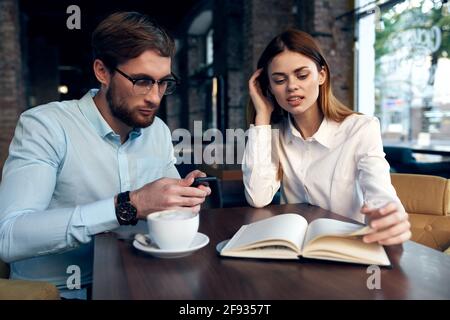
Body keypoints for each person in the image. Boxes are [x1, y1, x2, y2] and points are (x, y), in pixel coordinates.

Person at [0, 12, 210, 299]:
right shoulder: (46, 125)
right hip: (59, 292)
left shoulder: (157, 130)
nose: (155, 97)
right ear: (102, 72)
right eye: (142, 81)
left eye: (163, 83)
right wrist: (128, 205)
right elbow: (8, 236)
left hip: (140, 280)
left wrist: (183, 196)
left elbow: (164, 209)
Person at [243, 29, 411, 246]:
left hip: (348, 247)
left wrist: (389, 216)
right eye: (279, 80)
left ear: (321, 75)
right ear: (270, 87)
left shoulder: (361, 128)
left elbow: (379, 192)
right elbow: (257, 197)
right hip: (295, 248)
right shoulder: (274, 135)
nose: (292, 86)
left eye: (302, 75)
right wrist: (262, 116)